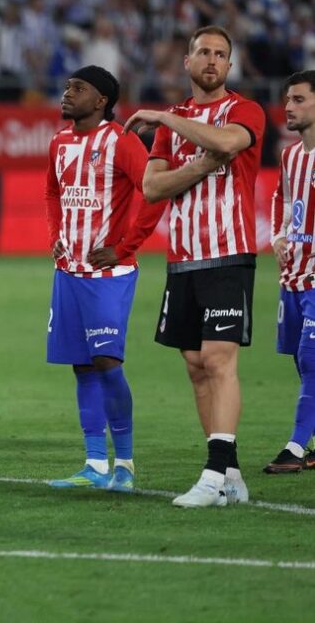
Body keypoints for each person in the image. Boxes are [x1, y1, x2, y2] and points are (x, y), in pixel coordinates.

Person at [126, 25, 266, 507]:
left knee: (218, 359)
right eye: (203, 52)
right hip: (183, 257)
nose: (211, 59)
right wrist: (200, 167)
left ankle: (212, 474)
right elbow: (152, 188)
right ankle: (230, 474)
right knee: (193, 365)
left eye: (221, 54)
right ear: (187, 63)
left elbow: (228, 143)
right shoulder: (174, 124)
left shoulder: (245, 110)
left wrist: (165, 116)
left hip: (228, 253)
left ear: (229, 67)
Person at [43, 65, 165, 491]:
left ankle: (125, 464)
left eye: (78, 88)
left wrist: (125, 246)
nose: (67, 93)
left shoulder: (122, 142)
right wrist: (55, 234)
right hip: (69, 271)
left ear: (101, 101)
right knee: (82, 365)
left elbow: (153, 193)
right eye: (67, 86)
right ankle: (95, 464)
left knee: (107, 362)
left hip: (107, 272)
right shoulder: (59, 143)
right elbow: (53, 192)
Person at [264, 70, 315, 474]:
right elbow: (283, 198)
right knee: (300, 362)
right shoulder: (290, 155)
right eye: (288, 100)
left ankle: (295, 447)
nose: (289, 107)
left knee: (310, 357)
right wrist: (278, 235)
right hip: (293, 273)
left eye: (299, 99)